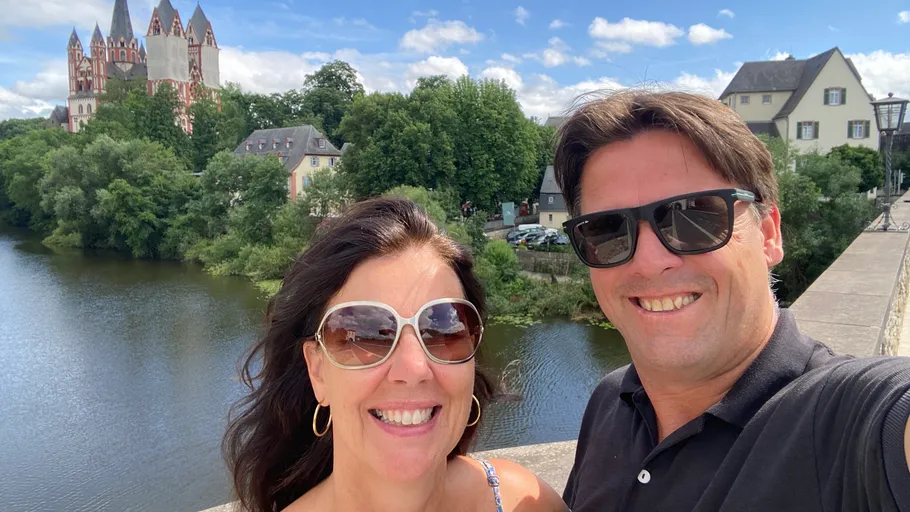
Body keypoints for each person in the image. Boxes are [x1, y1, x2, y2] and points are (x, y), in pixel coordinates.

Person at [554, 90, 910, 511]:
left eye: (695, 216)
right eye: (607, 230)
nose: (649, 263)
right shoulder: (611, 401)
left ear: (769, 234)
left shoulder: (845, 422)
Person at [223, 197, 567, 512]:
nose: (414, 367)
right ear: (317, 371)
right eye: (367, 334)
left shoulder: (526, 503)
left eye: (443, 330)